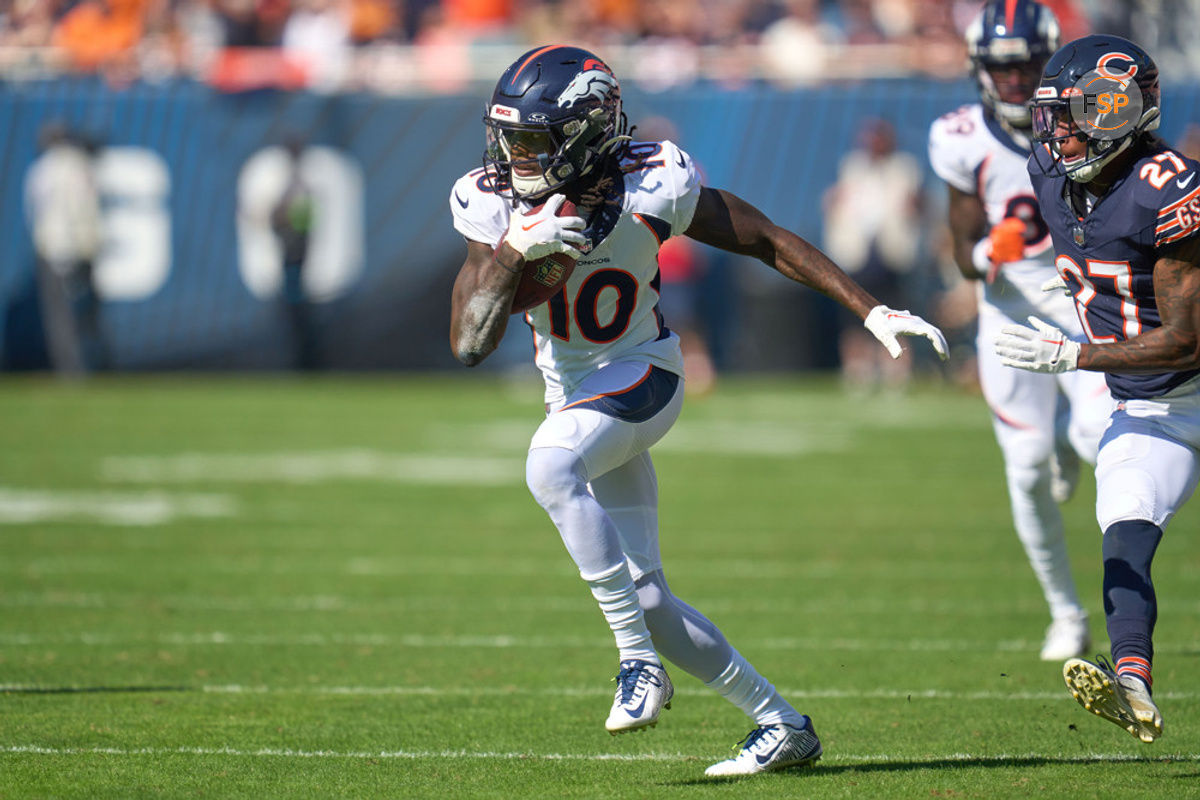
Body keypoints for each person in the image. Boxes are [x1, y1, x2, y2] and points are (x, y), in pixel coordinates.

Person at [448, 45, 948, 776]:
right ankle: (782, 724)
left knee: (550, 465)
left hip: (644, 373)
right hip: (574, 392)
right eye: (510, 139)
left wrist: (870, 312)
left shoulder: (656, 181)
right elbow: (467, 341)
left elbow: (766, 238)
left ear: (586, 132)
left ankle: (636, 664)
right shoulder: (491, 200)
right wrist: (509, 255)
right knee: (647, 594)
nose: (515, 157)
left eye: (534, 140)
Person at [995, 34, 1200, 743]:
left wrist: (1075, 353)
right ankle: (1134, 684)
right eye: (1054, 116)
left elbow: (1187, 336)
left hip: (1180, 374)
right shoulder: (1054, 179)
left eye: (1077, 114)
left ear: (1120, 112)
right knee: (1123, 531)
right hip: (1154, 406)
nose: (1058, 132)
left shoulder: (1167, 190)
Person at [928, 0, 1111, 662]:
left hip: (1086, 304)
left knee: (1100, 439)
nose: (1011, 80)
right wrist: (987, 253)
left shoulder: (1091, 124)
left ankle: (1131, 599)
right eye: (999, 67)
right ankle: (1065, 612)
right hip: (1010, 313)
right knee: (1026, 468)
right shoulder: (958, 136)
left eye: (1023, 65)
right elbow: (961, 246)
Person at [826, 117, 922, 393]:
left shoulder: (904, 168)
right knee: (855, 314)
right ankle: (859, 370)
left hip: (891, 253)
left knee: (895, 311)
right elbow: (840, 205)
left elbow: (913, 206)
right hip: (858, 253)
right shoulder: (852, 168)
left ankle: (896, 369)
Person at [23, 121, 107, 376]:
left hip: (53, 247)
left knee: (60, 315)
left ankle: (71, 369)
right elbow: (85, 210)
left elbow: (34, 212)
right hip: (80, 246)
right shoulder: (78, 166)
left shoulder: (41, 169)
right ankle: (87, 366)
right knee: (84, 313)